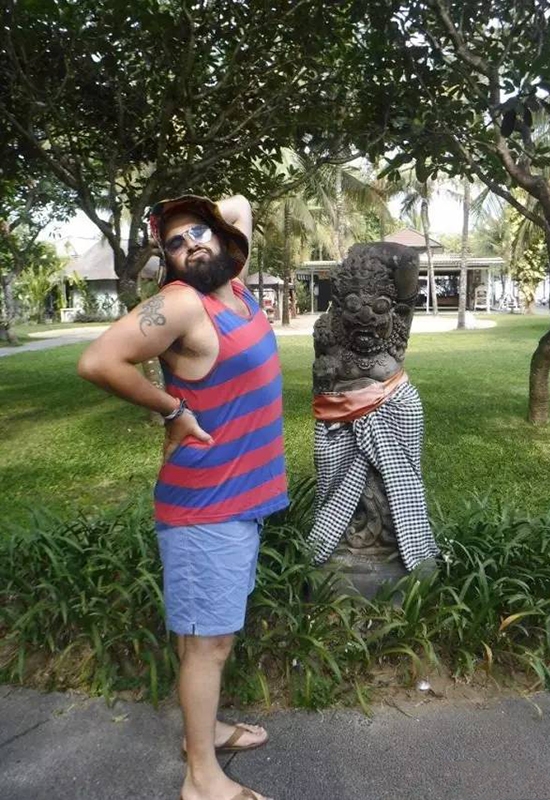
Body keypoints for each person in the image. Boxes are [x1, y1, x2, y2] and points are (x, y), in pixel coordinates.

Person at [78, 194, 288, 800]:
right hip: (205, 510)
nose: (191, 243)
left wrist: (205, 223)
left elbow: (240, 204)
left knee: (204, 635)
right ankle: (200, 778)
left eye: (200, 232)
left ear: (222, 239)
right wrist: (172, 409)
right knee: (207, 645)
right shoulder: (182, 303)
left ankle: (206, 731)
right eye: (174, 242)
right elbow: (97, 360)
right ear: (166, 261)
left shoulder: (234, 289)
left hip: (236, 503)